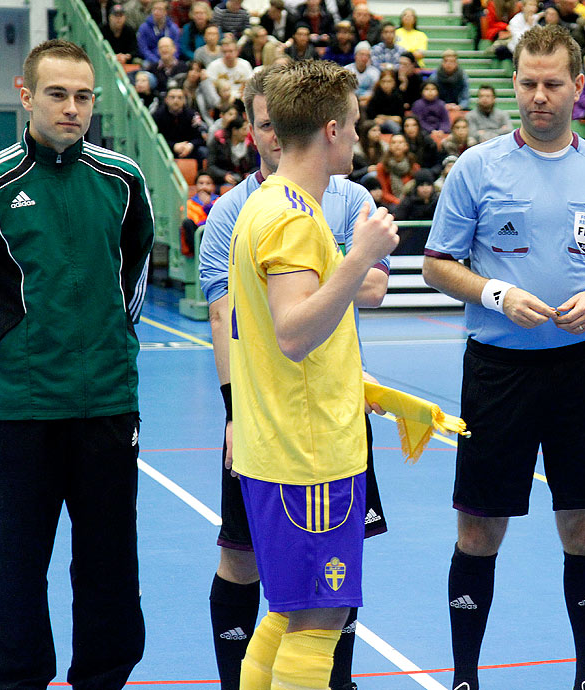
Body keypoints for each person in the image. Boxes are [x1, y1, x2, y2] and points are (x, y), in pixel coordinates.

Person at [422, 25, 585, 690]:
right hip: (498, 370)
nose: (539, 96)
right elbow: (438, 264)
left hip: (581, 369)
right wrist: (494, 291)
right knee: (479, 528)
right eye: (528, 83)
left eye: (554, 84)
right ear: (514, 82)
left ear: (580, 87)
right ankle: (465, 678)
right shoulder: (476, 167)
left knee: (584, 526)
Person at [0, 39, 153, 690]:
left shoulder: (123, 180)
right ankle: (14, 680)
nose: (72, 108)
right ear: (26, 95)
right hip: (20, 409)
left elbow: (136, 272)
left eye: (82, 96)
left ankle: (104, 677)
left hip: (106, 404)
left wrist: (110, 340)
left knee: (109, 562)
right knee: (16, 561)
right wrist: (6, 350)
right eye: (57, 94)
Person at [198, 65, 393, 690]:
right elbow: (293, 330)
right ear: (332, 130)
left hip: (284, 442)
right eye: (356, 127)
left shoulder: (266, 204)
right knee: (320, 619)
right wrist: (359, 254)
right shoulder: (291, 218)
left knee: (288, 610)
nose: (359, 140)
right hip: (307, 456)